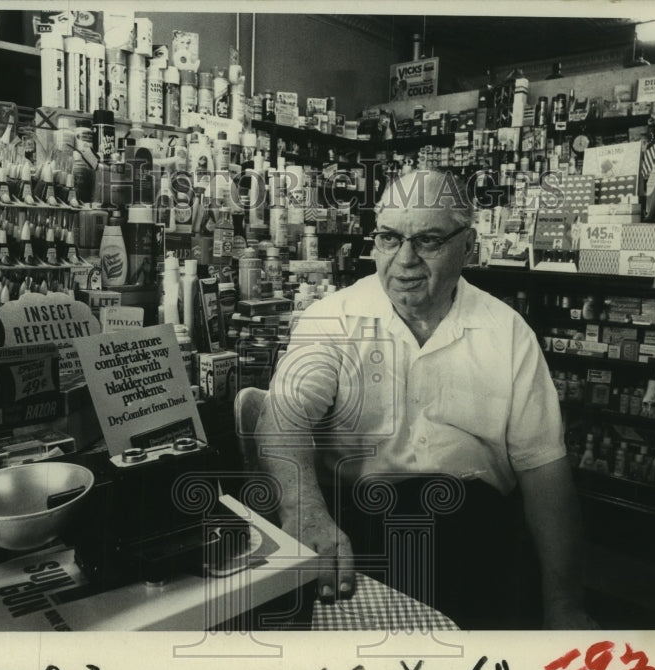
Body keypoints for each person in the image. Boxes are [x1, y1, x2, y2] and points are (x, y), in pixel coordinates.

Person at [255, 170, 596, 630]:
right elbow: (283, 415)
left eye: (428, 240)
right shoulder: (332, 318)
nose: (404, 260)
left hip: (474, 534)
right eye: (390, 239)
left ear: (468, 246)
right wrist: (305, 513)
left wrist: (565, 607)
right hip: (362, 530)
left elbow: (546, 477)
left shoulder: (508, 333)